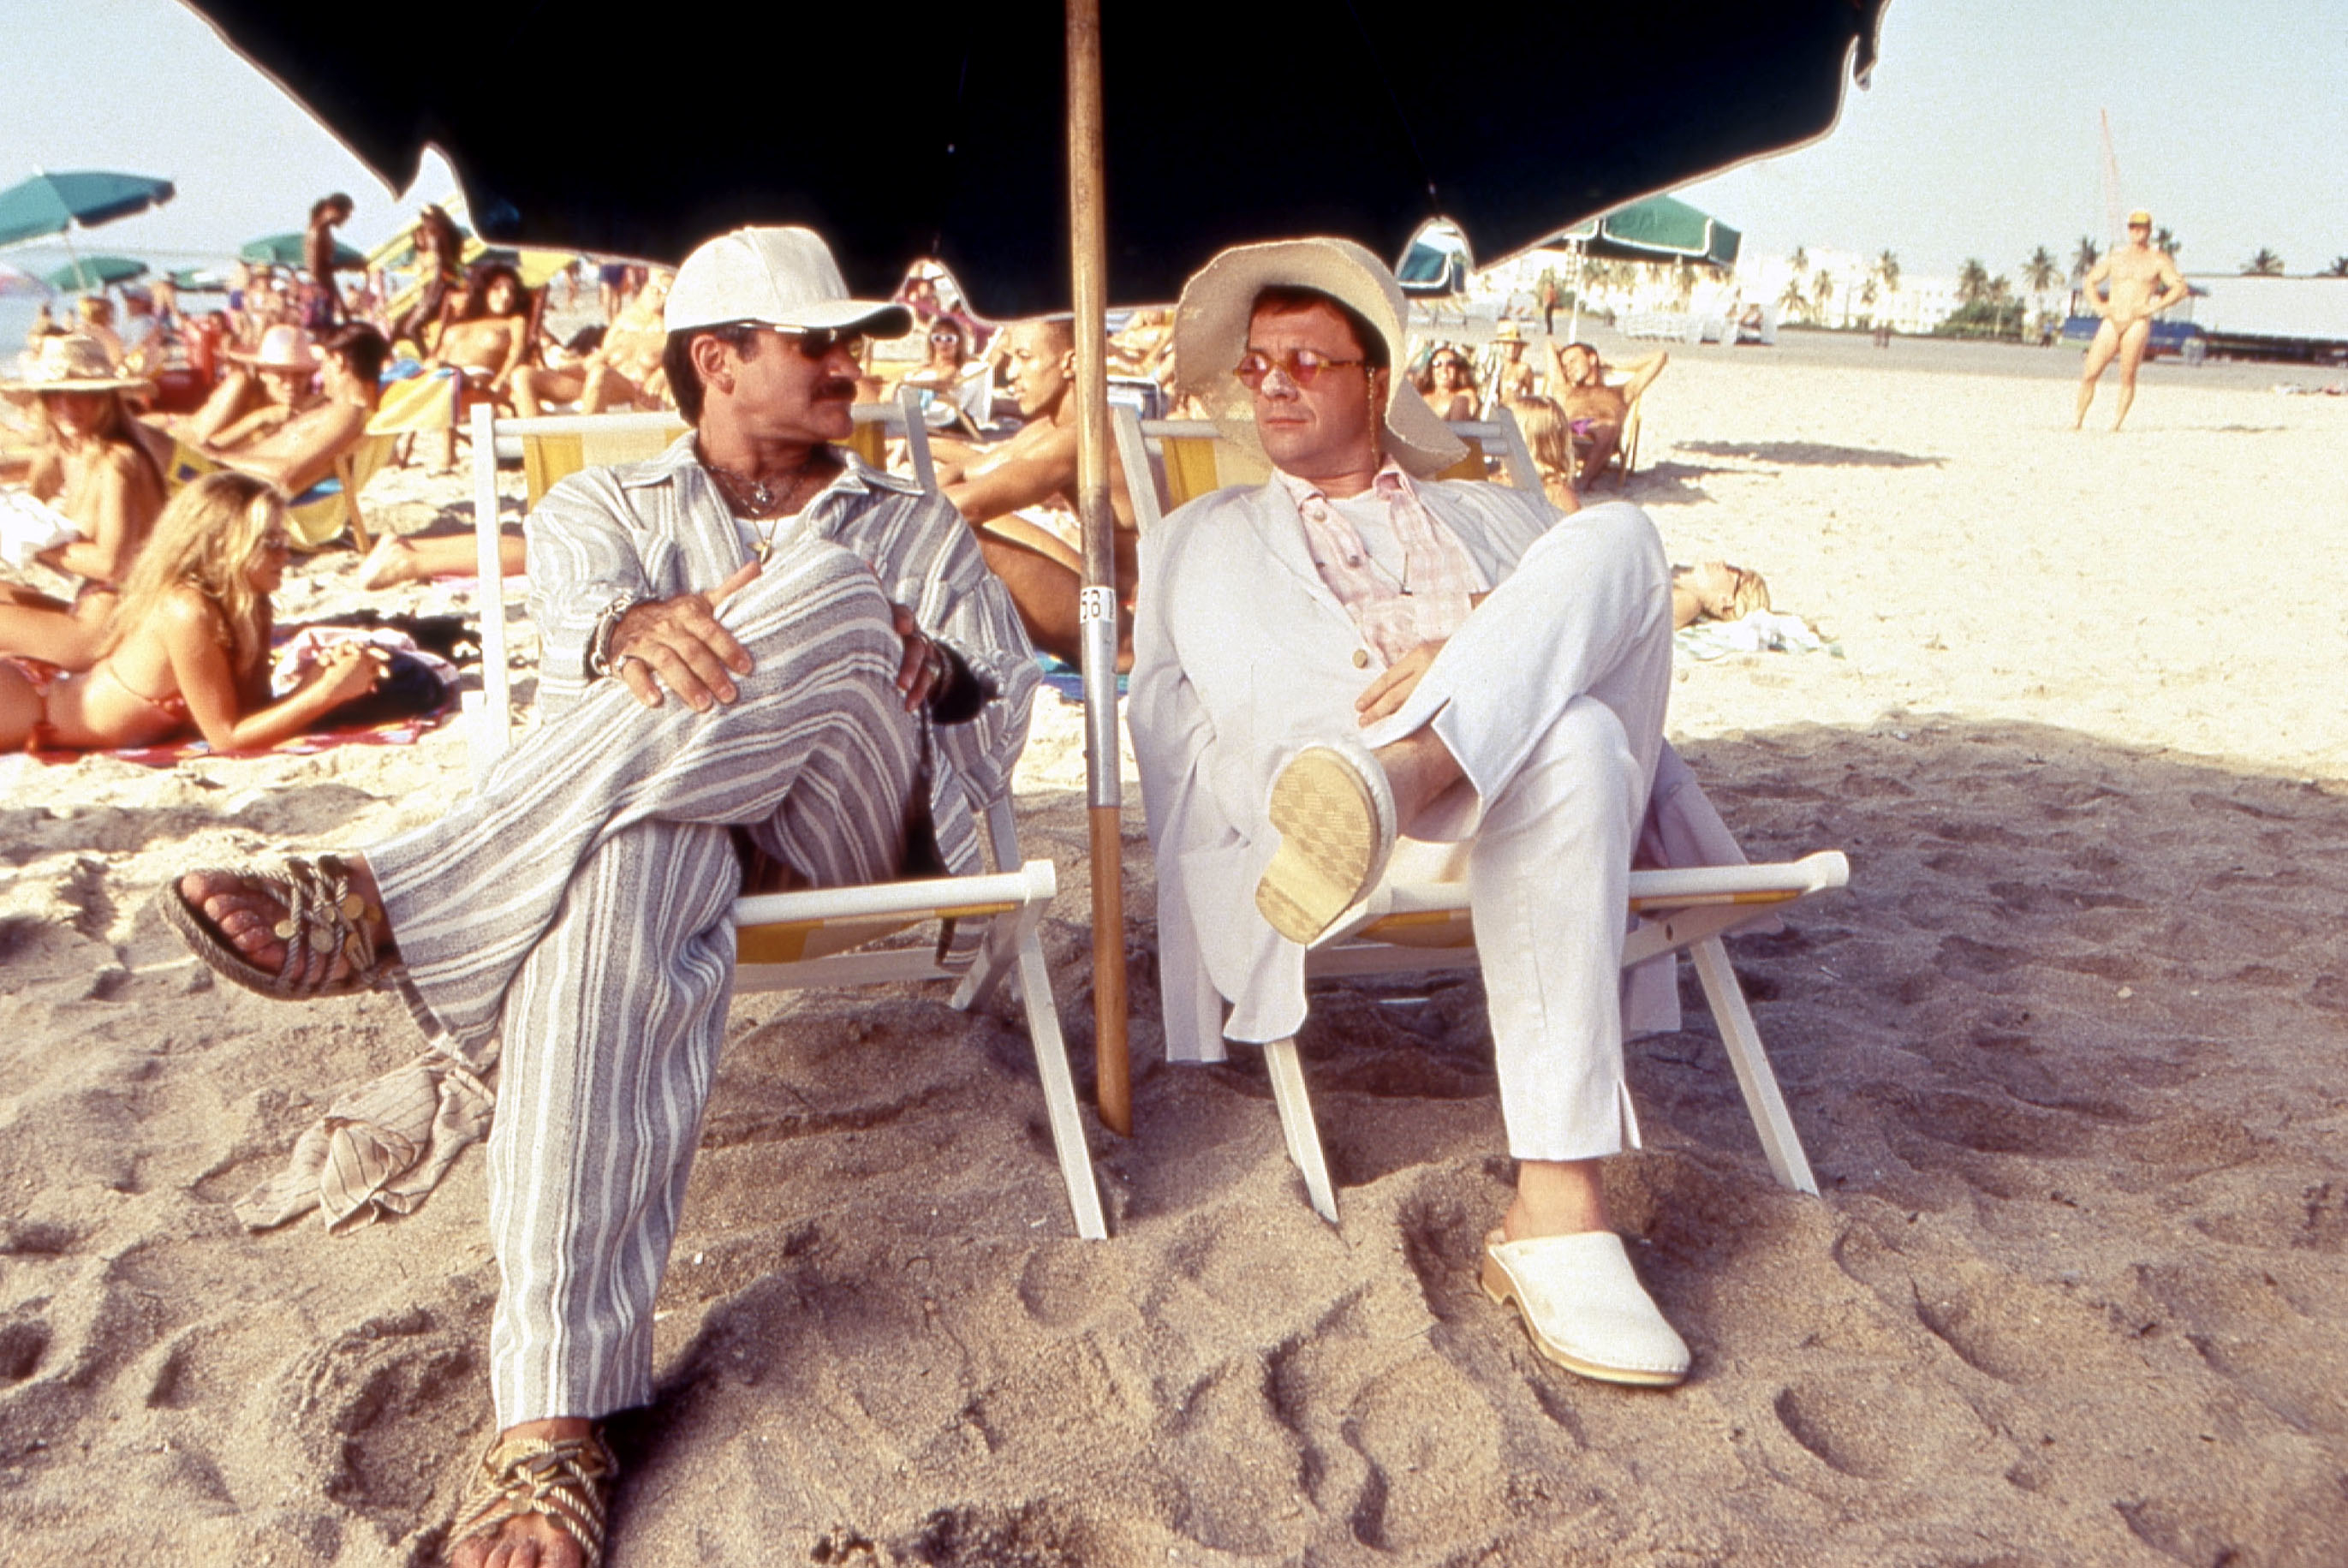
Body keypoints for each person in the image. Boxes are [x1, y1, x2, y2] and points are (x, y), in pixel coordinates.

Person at [161, 225, 1036, 1568]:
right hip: (659, 813)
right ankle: (551, 1416)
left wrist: (921, 656)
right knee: (628, 859)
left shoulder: (910, 520)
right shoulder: (598, 509)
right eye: (818, 342)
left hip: (859, 821)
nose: (849, 366)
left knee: (835, 591)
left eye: (853, 343)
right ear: (717, 360)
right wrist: (629, 627)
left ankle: (404, 897)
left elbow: (1000, 709)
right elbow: (594, 705)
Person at [1132, 237, 1712, 1392]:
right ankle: (1555, 1212)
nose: (1275, 383)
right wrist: (1499, 658)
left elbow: (1600, 629)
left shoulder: (1495, 515)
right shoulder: (1202, 537)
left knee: (1621, 540)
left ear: (1375, 379)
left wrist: (1468, 653)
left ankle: (1413, 764)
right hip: (1346, 824)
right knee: (1579, 735)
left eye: (1308, 358)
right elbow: (1240, 716)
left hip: (1493, 809)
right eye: (1258, 364)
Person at [0, 471, 388, 753]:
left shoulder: (251, 601)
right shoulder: (186, 610)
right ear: (221, 548)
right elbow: (227, 738)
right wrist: (323, 692)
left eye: (283, 540)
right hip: (29, 705)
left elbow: (253, 713)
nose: (285, 555)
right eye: (268, 543)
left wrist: (321, 676)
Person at [934, 315, 1141, 665]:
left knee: (957, 532)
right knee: (985, 522)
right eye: (1011, 358)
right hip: (1109, 592)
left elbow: (964, 507)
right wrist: (924, 450)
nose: (1011, 373)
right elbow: (978, 465)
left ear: (1071, 363)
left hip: (1130, 628)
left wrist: (908, 501)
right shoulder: (1054, 428)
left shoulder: (1084, 437)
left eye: (1025, 358)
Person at [1, 335, 170, 667]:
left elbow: (111, 564)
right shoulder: (69, 452)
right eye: (54, 396)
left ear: (105, 398)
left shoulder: (117, 460)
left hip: (116, 629)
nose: (66, 407)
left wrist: (26, 538)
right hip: (96, 609)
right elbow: (25, 472)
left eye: (80, 395)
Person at [197, 324, 389, 496]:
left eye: (324, 362)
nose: (322, 372)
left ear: (338, 361)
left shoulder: (347, 413)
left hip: (224, 485)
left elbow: (286, 475)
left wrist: (218, 458)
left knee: (166, 447)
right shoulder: (342, 410)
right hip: (225, 475)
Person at [2075, 209, 2187, 432]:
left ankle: (2116, 424)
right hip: (2112, 318)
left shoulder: (2158, 260)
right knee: (2090, 372)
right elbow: (2090, 281)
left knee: (2127, 375)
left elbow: (2180, 287)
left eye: (2142, 228)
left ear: (2149, 231)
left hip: (2137, 321)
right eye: (2134, 227)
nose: (2138, 232)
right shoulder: (2116, 257)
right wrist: (2099, 306)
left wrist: (2154, 306)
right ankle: (2077, 420)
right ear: (2129, 230)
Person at [512, 269, 673, 415]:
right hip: (597, 383)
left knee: (600, 374)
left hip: (634, 390)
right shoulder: (623, 325)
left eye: (664, 290)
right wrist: (564, 366)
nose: (656, 293)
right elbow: (595, 360)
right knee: (523, 375)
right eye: (652, 288)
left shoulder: (674, 334)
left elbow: (686, 366)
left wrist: (663, 373)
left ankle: (583, 441)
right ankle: (536, 442)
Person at [1543, 338, 1667, 488]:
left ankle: (1583, 481)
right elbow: (1549, 344)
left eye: (1573, 361)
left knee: (1607, 426)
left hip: (1604, 436)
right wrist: (1571, 354)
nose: (1568, 368)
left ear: (1592, 359)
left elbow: (1661, 356)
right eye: (1565, 365)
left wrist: (1618, 366)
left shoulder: (1622, 392)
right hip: (1569, 433)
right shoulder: (1566, 390)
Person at [303, 193, 355, 331]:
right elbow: (316, 272)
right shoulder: (317, 233)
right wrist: (345, 265)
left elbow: (324, 271)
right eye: (345, 214)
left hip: (323, 291)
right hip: (318, 294)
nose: (346, 219)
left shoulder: (324, 231)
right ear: (333, 210)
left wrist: (340, 302)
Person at [1415, 343, 1480, 422]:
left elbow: (1457, 428)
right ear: (1431, 370)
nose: (1444, 370)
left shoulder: (1464, 396)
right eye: (1437, 363)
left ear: (1458, 370)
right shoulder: (1420, 395)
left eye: (1450, 364)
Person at [1489, 320, 1535, 406]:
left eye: (1515, 344)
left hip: (1514, 413)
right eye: (1507, 344)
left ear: (1520, 347)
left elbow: (1531, 397)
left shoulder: (1524, 369)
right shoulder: (1492, 367)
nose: (1512, 348)